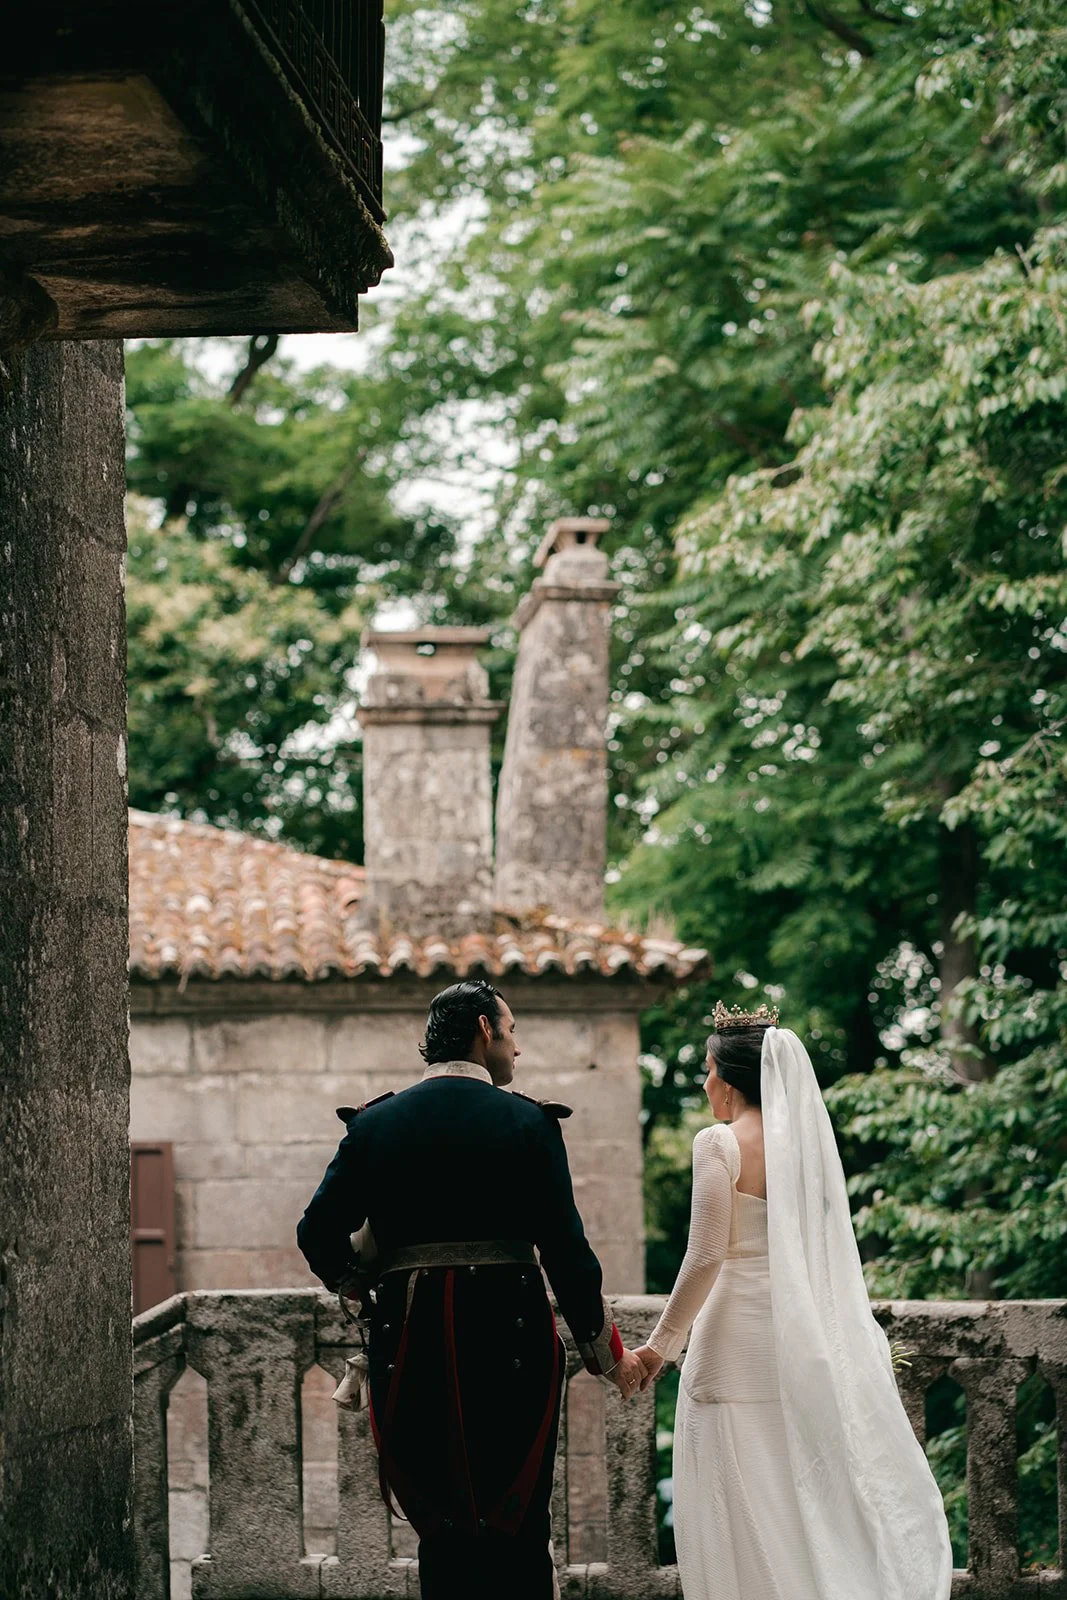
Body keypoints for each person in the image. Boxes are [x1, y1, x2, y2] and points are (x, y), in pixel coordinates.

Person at [296, 979, 645, 1600]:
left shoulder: (376, 1124)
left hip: (409, 1343)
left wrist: (361, 1285)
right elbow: (566, 1253)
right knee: (517, 1525)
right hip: (512, 1344)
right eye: (513, 1032)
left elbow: (316, 1231)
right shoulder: (529, 1123)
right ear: (486, 1030)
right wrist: (604, 1352)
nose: (518, 1049)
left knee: (443, 1530)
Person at [634, 1003, 952, 1600]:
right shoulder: (802, 1149)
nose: (705, 1084)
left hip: (730, 1346)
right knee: (791, 1505)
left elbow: (704, 1257)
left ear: (728, 1081)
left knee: (735, 1506)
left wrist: (659, 1347)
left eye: (708, 1071)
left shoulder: (717, 1143)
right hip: (791, 1341)